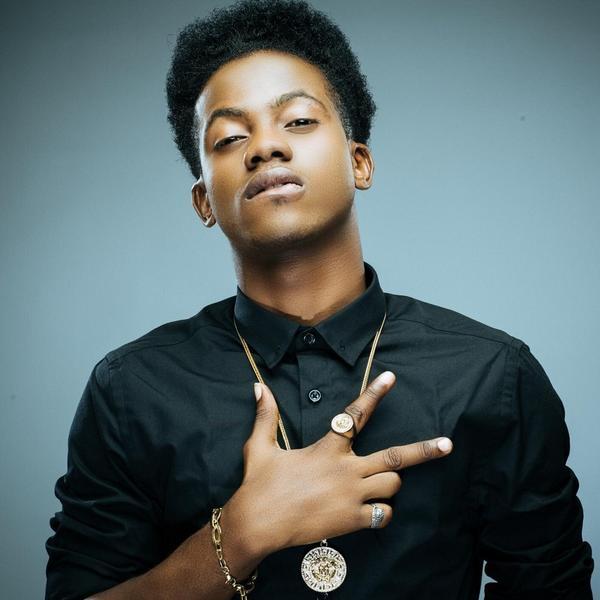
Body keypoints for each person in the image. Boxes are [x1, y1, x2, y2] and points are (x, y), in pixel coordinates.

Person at [45, 1, 594, 598]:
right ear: (204, 202)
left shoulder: (492, 374)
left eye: (299, 121)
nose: (265, 147)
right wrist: (244, 532)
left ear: (359, 162)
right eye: (230, 137)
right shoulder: (133, 390)